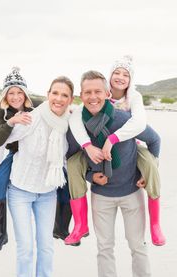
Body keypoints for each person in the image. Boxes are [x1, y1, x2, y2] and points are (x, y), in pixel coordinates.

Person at [66, 70, 160, 277]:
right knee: (104, 248)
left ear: (108, 93)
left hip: (131, 193)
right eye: (88, 92)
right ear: (81, 96)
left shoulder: (124, 119)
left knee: (137, 246)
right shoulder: (78, 125)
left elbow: (154, 140)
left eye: (98, 91)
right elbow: (72, 158)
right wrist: (89, 177)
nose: (93, 97)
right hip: (101, 197)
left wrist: (147, 171)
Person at [66, 55, 165, 246]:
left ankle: (155, 225)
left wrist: (112, 139)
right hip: (98, 153)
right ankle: (80, 225)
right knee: (72, 163)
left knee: (151, 164)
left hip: (132, 140)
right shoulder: (94, 100)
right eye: (116, 73)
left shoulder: (133, 98)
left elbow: (141, 125)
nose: (120, 77)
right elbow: (76, 118)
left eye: (125, 74)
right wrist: (87, 146)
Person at [0, 76, 74, 277]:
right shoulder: (32, 117)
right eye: (55, 93)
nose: (58, 99)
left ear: (70, 99)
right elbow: (3, 141)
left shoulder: (69, 122)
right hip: (20, 189)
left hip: (47, 192)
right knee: (26, 247)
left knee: (45, 246)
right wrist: (12, 122)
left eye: (64, 95)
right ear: (48, 94)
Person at [0, 67, 36, 253]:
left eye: (19, 92)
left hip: (35, 152)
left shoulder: (35, 106)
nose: (16, 97)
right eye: (11, 93)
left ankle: (61, 226)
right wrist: (11, 122)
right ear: (5, 96)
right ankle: (0, 234)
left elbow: (56, 107)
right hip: (14, 153)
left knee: (63, 173)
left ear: (25, 93)